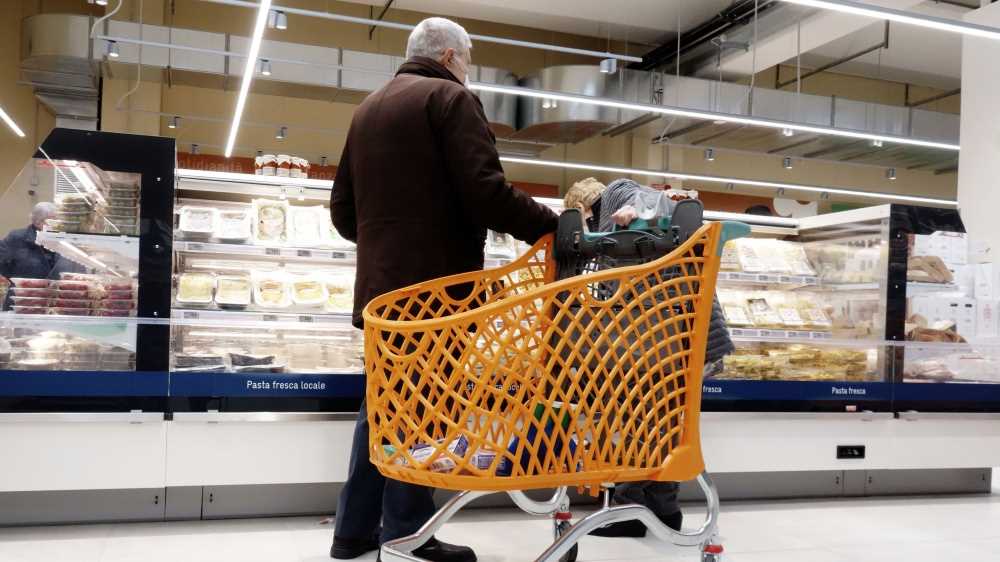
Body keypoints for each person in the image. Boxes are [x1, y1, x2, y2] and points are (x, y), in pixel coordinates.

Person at [329, 17, 558, 562]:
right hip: (435, 292)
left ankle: (352, 533)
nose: (470, 67)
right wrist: (551, 226)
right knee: (425, 410)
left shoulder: (368, 109)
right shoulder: (450, 99)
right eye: (470, 56)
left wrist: (385, 241)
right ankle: (408, 533)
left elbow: (342, 213)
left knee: (382, 409)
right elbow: (486, 192)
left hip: (379, 294)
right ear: (451, 55)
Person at [562, 177, 735, 538]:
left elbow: (664, 201)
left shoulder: (616, 195)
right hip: (676, 335)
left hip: (669, 335)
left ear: (583, 210)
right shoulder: (617, 239)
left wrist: (638, 210)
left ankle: (627, 510)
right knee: (663, 423)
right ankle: (665, 510)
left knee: (637, 420)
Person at [0, 202, 58, 310]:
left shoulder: (61, 240)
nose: (57, 224)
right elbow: (2, 262)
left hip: (54, 303)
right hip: (21, 300)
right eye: (52, 221)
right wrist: (18, 281)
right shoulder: (17, 237)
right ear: (38, 221)